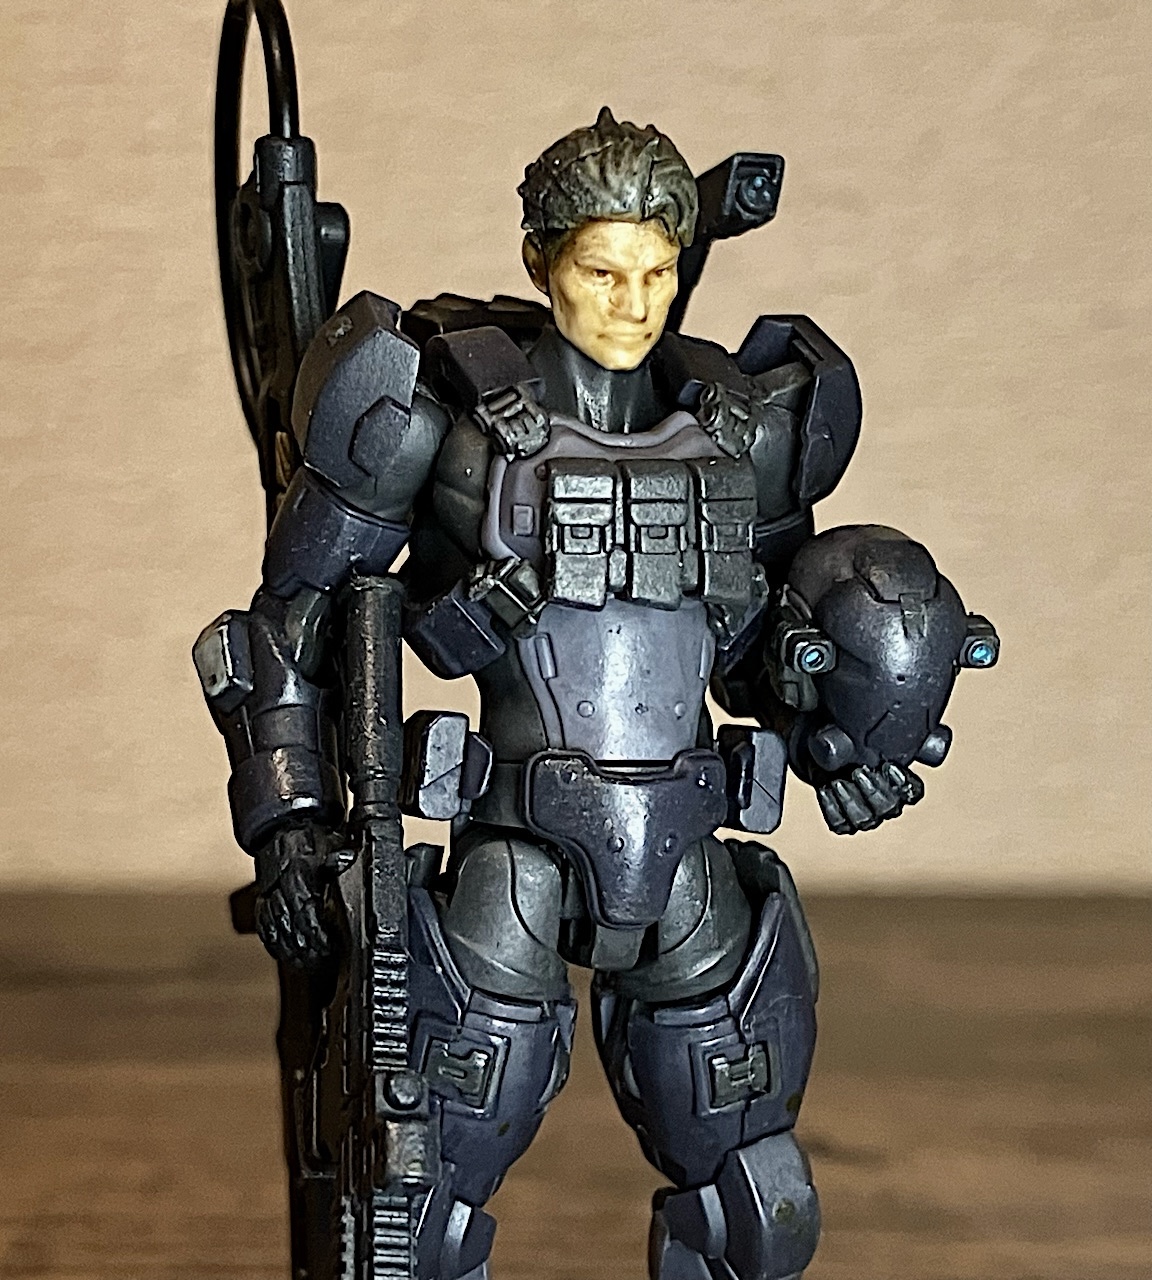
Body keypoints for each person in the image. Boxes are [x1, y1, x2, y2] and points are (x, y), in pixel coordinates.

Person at [196, 106, 993, 1280]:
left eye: (659, 272)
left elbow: (753, 641)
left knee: (758, 1207)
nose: (634, 303)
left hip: (689, 860)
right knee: (417, 1212)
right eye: (602, 271)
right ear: (541, 260)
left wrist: (841, 734)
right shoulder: (437, 423)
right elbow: (285, 628)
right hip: (511, 857)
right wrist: (291, 827)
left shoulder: (741, 432)